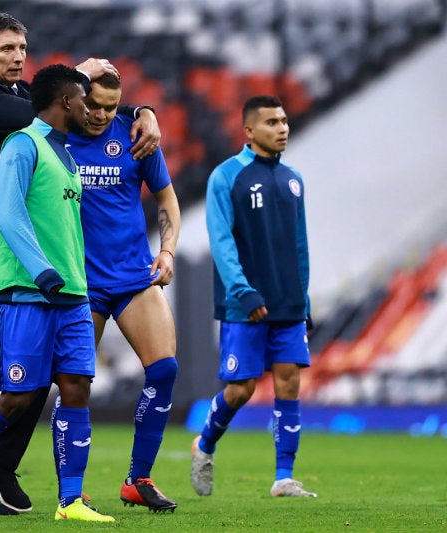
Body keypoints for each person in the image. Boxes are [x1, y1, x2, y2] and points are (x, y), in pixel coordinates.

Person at [0, 11, 161, 515]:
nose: (17, 56)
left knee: (39, 379)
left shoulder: (18, 101)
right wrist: (75, 82)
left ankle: (1, 464)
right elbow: (49, 114)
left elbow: (56, 118)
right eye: (7, 49)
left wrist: (140, 108)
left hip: (22, 256)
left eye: (22, 48)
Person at [0, 64, 114, 522]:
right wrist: (42, 271)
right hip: (27, 292)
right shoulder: (22, 144)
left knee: (76, 388)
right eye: (84, 100)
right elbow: (10, 216)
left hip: (73, 294)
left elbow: (66, 229)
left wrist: (77, 278)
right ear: (64, 102)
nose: (90, 109)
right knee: (18, 397)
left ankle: (70, 501)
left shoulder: (67, 154)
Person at [64, 72, 181, 512]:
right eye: (92, 104)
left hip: (133, 275)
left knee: (165, 369)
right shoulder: (57, 137)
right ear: (77, 99)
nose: (100, 115)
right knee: (76, 383)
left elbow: (167, 200)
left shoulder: (137, 138)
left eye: (111, 107)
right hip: (80, 283)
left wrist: (167, 251)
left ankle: (139, 478)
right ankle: (71, 489)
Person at [191, 95, 316, 498]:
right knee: (241, 388)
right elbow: (221, 239)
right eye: (271, 123)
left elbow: (300, 245)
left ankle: (284, 477)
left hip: (288, 301)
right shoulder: (227, 176)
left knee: (289, 382)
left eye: (284, 121)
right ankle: (205, 443)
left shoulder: (293, 178)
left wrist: (303, 297)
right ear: (249, 131)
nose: (282, 128)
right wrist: (242, 291)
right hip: (244, 303)